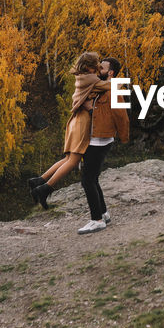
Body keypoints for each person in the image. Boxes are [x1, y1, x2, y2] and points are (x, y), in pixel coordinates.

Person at [29, 51, 109, 211]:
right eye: (96, 66)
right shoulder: (91, 78)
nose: (97, 68)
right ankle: (44, 189)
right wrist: (107, 74)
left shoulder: (82, 76)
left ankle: (39, 180)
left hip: (76, 121)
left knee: (68, 158)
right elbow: (111, 87)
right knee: (74, 161)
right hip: (82, 122)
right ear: (89, 67)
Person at [76, 57, 130, 233]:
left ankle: (97, 220)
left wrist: (124, 138)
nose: (98, 68)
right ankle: (104, 213)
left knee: (87, 180)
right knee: (93, 178)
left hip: (100, 139)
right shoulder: (98, 87)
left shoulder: (113, 90)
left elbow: (121, 115)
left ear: (110, 72)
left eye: (102, 67)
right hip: (94, 137)